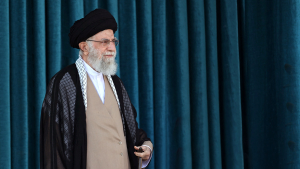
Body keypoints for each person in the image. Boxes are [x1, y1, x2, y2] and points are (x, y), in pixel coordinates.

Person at [40, 9, 153, 169]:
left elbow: (130, 129)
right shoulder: (64, 82)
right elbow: (54, 146)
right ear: (84, 47)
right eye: (104, 42)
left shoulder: (116, 83)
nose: (112, 48)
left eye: (113, 41)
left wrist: (146, 147)